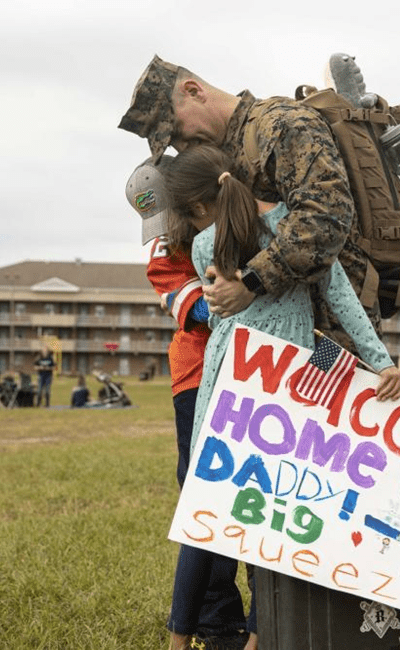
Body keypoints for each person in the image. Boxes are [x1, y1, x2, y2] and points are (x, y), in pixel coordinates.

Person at [165, 145, 400, 650]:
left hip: (224, 385)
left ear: (198, 208)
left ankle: (178, 640)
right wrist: (380, 359)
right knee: (272, 513)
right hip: (283, 388)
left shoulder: (206, 244)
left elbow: (223, 312)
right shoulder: (294, 230)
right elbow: (338, 293)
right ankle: (258, 638)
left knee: (205, 516)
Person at [119, 56, 374, 354]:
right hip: (274, 342)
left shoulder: (283, 125)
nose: (179, 147)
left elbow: (325, 221)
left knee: (328, 398)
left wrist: (251, 282)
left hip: (331, 334)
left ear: (194, 91)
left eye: (175, 131)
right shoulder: (222, 154)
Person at [126, 158, 250, 650]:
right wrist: (217, 300)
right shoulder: (171, 249)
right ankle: (220, 624)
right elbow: (189, 304)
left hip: (257, 373)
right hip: (198, 376)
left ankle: (265, 620)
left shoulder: (246, 220)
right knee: (205, 497)